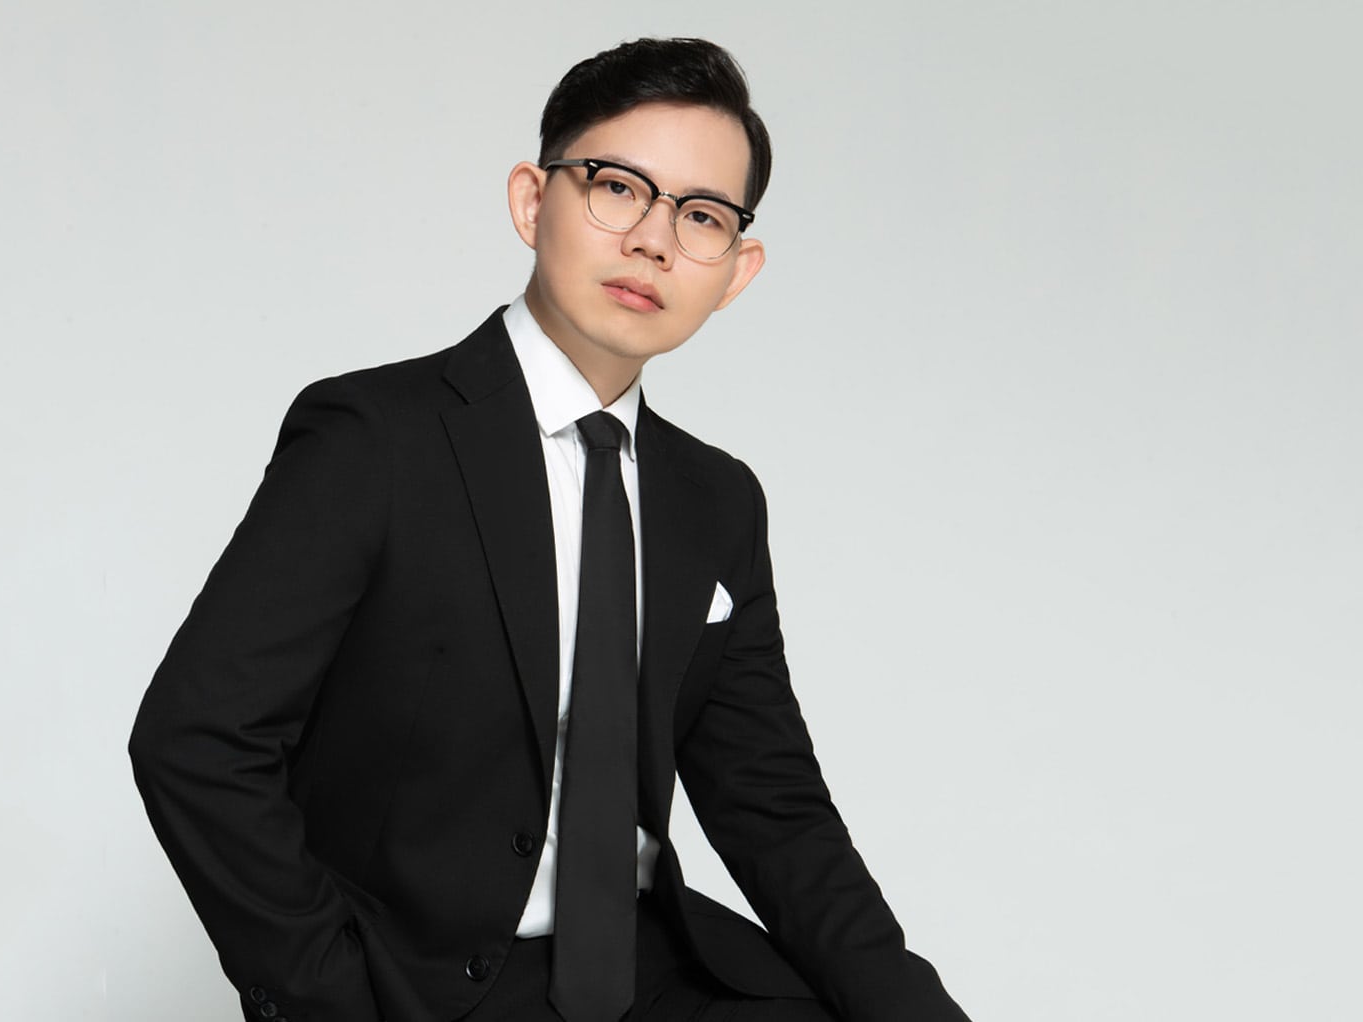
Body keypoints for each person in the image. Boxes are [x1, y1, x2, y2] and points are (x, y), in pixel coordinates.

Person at [130, 37, 971, 1022]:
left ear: (736, 269)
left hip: (649, 969)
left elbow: (773, 806)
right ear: (534, 201)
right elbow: (196, 738)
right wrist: (331, 993)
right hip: (424, 986)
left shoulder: (715, 498)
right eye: (618, 187)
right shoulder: (375, 439)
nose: (654, 240)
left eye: (699, 215)